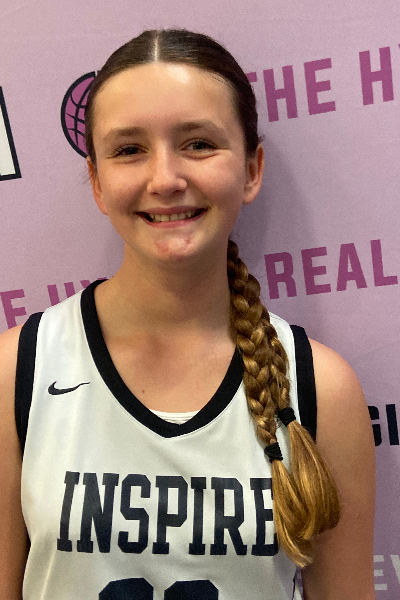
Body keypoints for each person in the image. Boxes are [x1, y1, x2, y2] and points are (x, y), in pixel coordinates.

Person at [0, 29, 375, 600]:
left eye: (198, 143)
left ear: (252, 170)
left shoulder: (321, 388)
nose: (165, 179)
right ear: (97, 182)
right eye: (129, 150)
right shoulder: (17, 370)